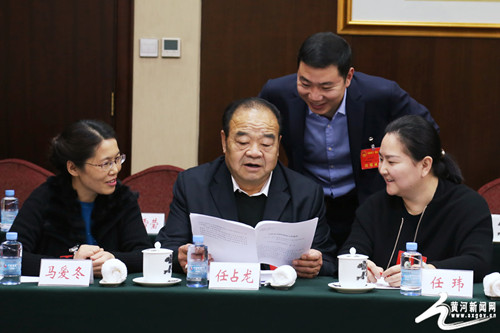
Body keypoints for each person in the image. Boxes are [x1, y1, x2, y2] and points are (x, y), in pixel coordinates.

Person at [258, 31, 438, 251]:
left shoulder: (381, 95)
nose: (314, 96)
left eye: (326, 87)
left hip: (368, 201)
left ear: (349, 77)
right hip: (308, 203)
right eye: (305, 83)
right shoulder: (277, 93)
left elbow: (428, 132)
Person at [156, 97, 337, 278]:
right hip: (214, 298)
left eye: (266, 144)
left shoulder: (305, 193)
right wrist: (182, 257)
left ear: (278, 146)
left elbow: (328, 259)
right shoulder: (193, 185)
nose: (254, 152)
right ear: (224, 142)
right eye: (243, 142)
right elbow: (167, 249)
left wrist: (315, 264)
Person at [340, 115, 492, 285]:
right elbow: (351, 250)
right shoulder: (374, 206)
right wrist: (361, 266)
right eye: (381, 159)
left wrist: (427, 273)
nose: (382, 169)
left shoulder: (467, 205)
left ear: (425, 165)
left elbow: (479, 262)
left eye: (391, 161)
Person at [10, 120, 152, 276]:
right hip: (58, 297)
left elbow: (145, 255)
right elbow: (11, 256)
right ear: (73, 168)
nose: (115, 170)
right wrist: (72, 265)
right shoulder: (47, 197)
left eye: (117, 159)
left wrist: (113, 260)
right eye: (105, 164)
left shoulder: (122, 198)